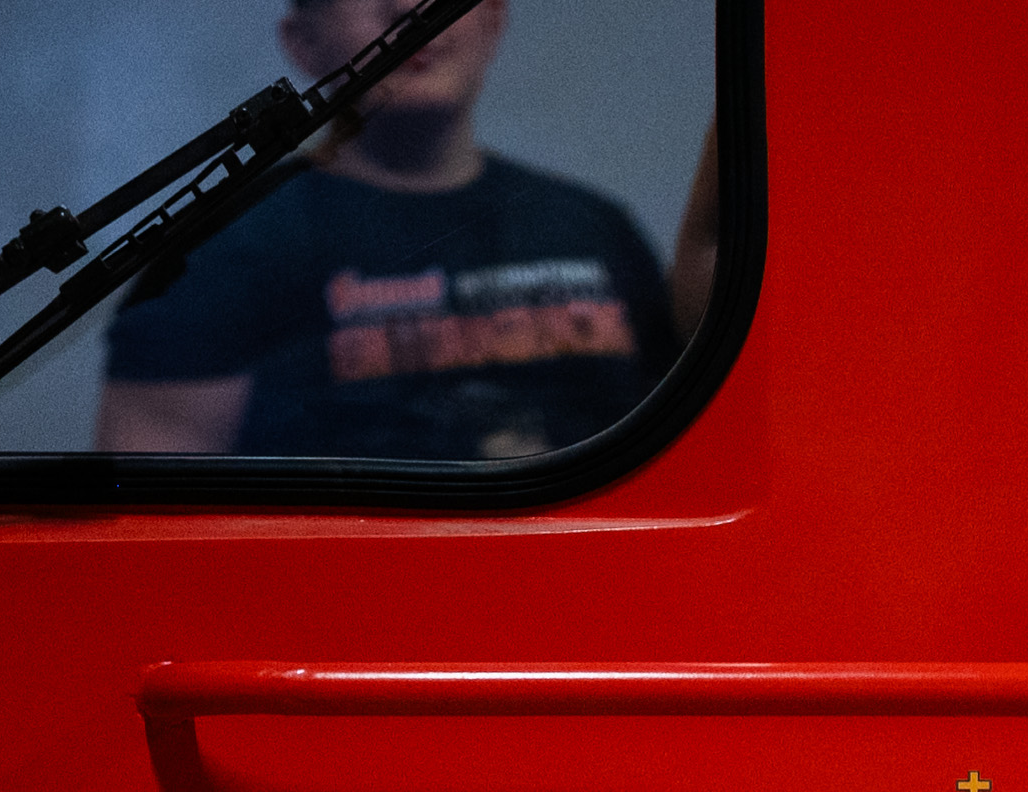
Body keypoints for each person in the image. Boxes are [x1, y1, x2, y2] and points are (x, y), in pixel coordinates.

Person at [97, 0, 676, 462]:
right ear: (303, 42)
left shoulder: (595, 229)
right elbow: (164, 535)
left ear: (493, 18)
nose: (407, 6)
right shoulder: (213, 258)